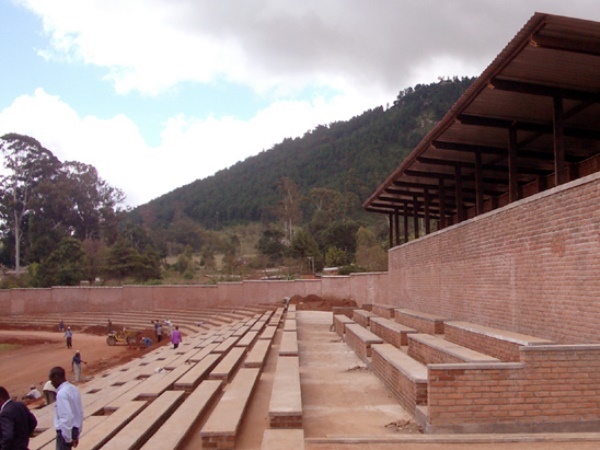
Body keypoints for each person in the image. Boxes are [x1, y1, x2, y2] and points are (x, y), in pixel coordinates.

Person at [49, 366, 83, 450]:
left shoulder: (61, 393)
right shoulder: (74, 389)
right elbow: (80, 412)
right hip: (74, 428)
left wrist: (68, 438)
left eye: (51, 380)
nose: (52, 384)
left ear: (56, 377)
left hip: (65, 432)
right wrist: (77, 433)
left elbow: (66, 417)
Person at [0, 386, 38, 450]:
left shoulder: (5, 413)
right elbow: (33, 422)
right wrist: (23, 437)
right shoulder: (20, 405)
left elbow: (8, 436)